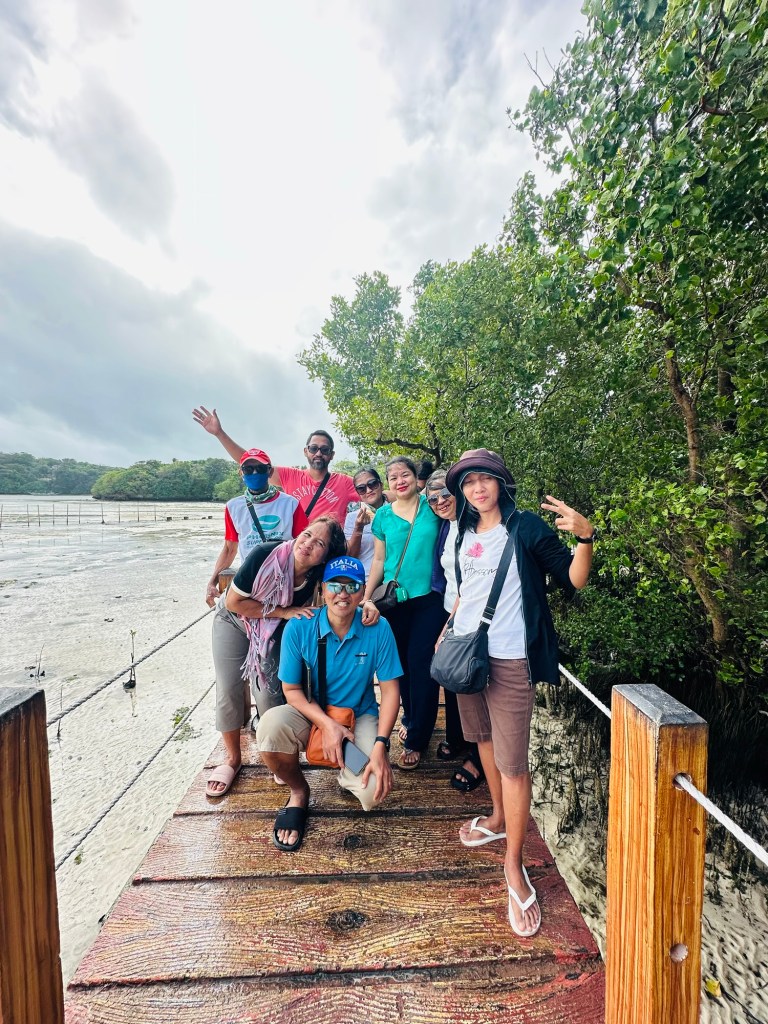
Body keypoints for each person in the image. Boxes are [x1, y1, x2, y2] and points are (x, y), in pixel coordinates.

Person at [442, 448, 594, 938]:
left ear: (501, 483)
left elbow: (574, 579)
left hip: (511, 661)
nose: (477, 488)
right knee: (482, 740)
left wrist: (585, 537)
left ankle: (514, 863)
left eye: (485, 479)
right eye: (468, 482)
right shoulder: (462, 532)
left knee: (513, 764)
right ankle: (498, 816)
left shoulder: (525, 527)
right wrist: (448, 630)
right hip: (467, 655)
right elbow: (465, 593)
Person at [257, 556, 402, 851]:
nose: (343, 593)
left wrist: (380, 745)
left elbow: (390, 692)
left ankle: (347, 771)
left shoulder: (378, 627)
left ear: (362, 592)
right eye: (335, 585)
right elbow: (291, 690)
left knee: (372, 793)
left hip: (358, 716)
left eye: (352, 586)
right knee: (270, 728)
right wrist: (328, 725)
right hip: (312, 713)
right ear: (322, 589)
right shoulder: (300, 627)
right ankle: (299, 791)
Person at [206, 516, 349, 797]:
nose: (307, 544)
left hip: (271, 627)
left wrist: (366, 606)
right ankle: (233, 759)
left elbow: (341, 591)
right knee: (228, 687)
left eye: (319, 543)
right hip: (233, 620)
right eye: (306, 534)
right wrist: (284, 611)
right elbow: (234, 602)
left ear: (325, 557)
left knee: (271, 692)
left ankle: (277, 755)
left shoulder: (316, 575)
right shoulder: (265, 554)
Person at [362, 456, 443, 770]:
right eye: (393, 477)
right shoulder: (382, 516)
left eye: (405, 474)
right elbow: (379, 560)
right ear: (388, 483)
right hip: (394, 601)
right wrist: (367, 598)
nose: (400, 481)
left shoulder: (432, 506)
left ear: (415, 477)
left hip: (430, 599)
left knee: (421, 663)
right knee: (402, 666)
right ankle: (409, 717)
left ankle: (417, 739)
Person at [192, 406, 357, 522]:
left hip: (331, 551)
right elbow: (250, 461)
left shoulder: (345, 482)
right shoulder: (290, 476)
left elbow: (370, 492)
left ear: (331, 455)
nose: (318, 453)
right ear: (306, 451)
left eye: (325, 450)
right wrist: (219, 433)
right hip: (297, 550)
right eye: (313, 448)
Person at [424, 469, 483, 792]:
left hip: (472, 617)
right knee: (450, 678)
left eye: (445, 494)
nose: (440, 502)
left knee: (472, 682)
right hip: (449, 609)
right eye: (432, 499)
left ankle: (478, 755)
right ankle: (457, 737)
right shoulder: (446, 527)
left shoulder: (477, 525)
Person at [205, 448, 308, 607]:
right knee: (230, 613)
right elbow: (229, 549)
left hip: (285, 579)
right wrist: (212, 582)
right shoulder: (233, 507)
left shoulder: (290, 504)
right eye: (248, 469)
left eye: (260, 468)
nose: (254, 473)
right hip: (250, 580)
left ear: (270, 471)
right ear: (241, 472)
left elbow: (303, 544)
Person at [343, 466, 388, 574]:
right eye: (361, 489)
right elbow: (350, 556)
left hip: (393, 577)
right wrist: (358, 529)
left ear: (381, 485)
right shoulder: (352, 518)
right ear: (358, 493)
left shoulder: (396, 511)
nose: (368, 490)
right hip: (364, 577)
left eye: (372, 484)